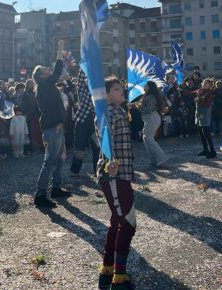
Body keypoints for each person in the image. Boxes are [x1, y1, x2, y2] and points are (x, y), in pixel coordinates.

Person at [97, 77, 136, 290]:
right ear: (106, 93)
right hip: (114, 175)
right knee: (128, 224)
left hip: (121, 175)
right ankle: (119, 279)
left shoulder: (118, 110)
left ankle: (108, 271)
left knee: (117, 221)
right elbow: (104, 136)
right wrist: (109, 160)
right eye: (116, 88)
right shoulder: (109, 111)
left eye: (121, 87)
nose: (121, 90)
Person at [32, 39, 71, 208]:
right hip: (52, 128)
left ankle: (56, 188)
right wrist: (60, 48)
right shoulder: (44, 85)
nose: (48, 69)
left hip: (58, 127)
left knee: (60, 159)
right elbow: (57, 69)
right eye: (44, 69)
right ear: (41, 76)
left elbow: (57, 74)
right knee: (49, 161)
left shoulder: (48, 85)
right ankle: (40, 195)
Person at [70, 68, 100, 177]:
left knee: (97, 148)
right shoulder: (82, 89)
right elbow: (81, 78)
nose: (88, 81)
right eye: (87, 80)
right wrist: (86, 65)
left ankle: (98, 171)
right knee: (79, 148)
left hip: (94, 122)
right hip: (82, 121)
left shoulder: (98, 91)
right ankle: (75, 171)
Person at [141, 81, 168, 167]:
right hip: (149, 119)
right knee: (146, 138)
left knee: (149, 138)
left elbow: (149, 109)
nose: (144, 86)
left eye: (146, 85)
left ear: (149, 87)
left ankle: (161, 157)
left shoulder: (151, 97)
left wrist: (139, 108)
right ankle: (153, 159)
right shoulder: (146, 96)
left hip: (152, 118)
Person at [194, 79, 216, 158]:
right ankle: (205, 150)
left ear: (209, 85)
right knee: (201, 132)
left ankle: (212, 151)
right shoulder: (200, 91)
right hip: (199, 114)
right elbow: (191, 94)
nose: (204, 84)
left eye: (206, 83)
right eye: (203, 83)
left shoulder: (209, 93)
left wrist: (198, 100)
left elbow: (207, 104)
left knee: (206, 133)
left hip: (205, 114)